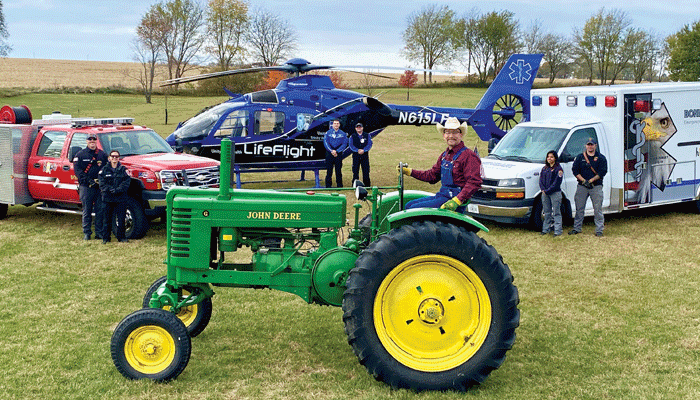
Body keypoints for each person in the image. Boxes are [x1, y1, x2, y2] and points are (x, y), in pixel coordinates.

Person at [401, 117, 482, 211]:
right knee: (408, 205)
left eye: (455, 132)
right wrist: (410, 172)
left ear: (461, 134)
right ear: (444, 135)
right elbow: (432, 176)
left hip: (453, 201)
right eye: (448, 132)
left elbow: (474, 182)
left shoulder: (469, 156)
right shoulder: (445, 155)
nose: (451, 136)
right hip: (442, 196)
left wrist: (457, 200)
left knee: (413, 209)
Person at [569, 137, 608, 237]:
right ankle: (577, 228)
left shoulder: (601, 158)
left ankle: (599, 230)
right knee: (579, 208)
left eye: (592, 144)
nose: (590, 146)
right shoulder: (579, 157)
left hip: (596, 186)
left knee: (597, 208)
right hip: (582, 186)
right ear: (585, 145)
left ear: (596, 145)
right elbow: (575, 170)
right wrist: (583, 181)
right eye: (588, 144)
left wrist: (590, 181)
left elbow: (602, 172)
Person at [72, 133, 108, 240]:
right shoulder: (80, 155)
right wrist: (90, 181)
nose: (92, 142)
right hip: (86, 187)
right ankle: (87, 233)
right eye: (90, 141)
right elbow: (78, 171)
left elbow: (106, 169)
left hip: (99, 188)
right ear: (86, 141)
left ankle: (99, 233)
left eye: (94, 141)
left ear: (96, 141)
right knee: (87, 211)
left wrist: (101, 181)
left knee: (100, 211)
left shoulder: (102, 155)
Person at [99, 150, 131, 243]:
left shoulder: (123, 170)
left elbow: (126, 183)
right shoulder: (103, 170)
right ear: (109, 158)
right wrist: (110, 189)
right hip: (108, 198)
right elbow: (102, 183)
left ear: (119, 158)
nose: (114, 158)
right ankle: (106, 238)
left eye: (116, 157)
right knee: (106, 219)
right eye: (112, 156)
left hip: (120, 198)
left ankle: (121, 237)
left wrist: (117, 190)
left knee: (121, 219)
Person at [539, 150, 564, 236]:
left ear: (555, 158)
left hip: (555, 193)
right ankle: (545, 229)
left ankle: (558, 231)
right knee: (547, 212)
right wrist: (542, 189)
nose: (549, 158)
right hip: (545, 193)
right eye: (548, 157)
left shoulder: (559, 169)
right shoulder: (544, 168)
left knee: (556, 212)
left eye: (551, 157)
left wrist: (548, 190)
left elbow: (557, 182)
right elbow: (541, 180)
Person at [323, 118, 348, 188]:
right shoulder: (328, 133)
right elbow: (325, 142)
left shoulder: (343, 134)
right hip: (329, 154)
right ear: (332, 124)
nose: (336, 125)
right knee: (329, 171)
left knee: (338, 170)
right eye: (335, 123)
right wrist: (331, 151)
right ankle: (328, 186)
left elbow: (344, 144)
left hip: (338, 154)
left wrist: (337, 151)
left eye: (337, 123)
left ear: (339, 125)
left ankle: (339, 186)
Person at [349, 122, 372, 186]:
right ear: (355, 128)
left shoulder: (367, 135)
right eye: (357, 127)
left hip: (364, 155)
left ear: (362, 128)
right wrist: (357, 150)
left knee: (366, 170)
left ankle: (367, 184)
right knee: (355, 171)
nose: (359, 128)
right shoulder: (352, 136)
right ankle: (355, 184)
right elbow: (351, 145)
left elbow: (369, 144)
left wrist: (364, 150)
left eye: (360, 127)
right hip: (356, 155)